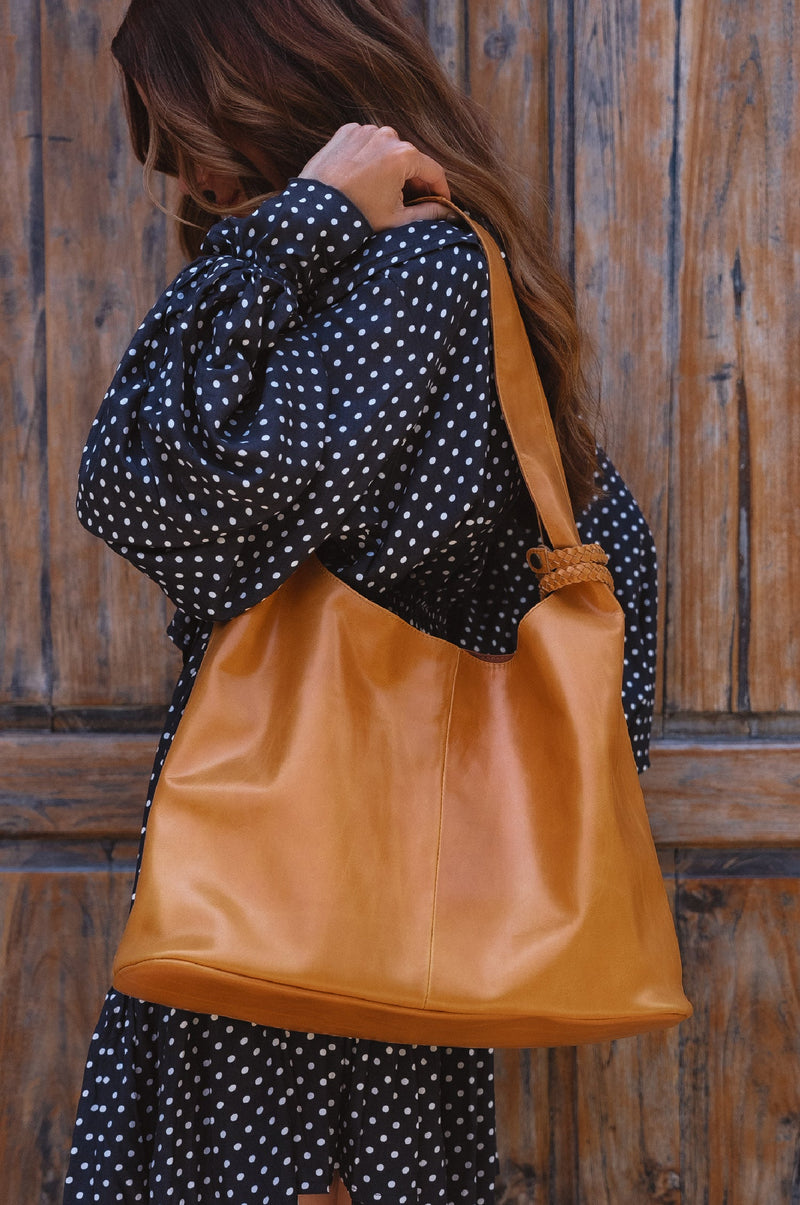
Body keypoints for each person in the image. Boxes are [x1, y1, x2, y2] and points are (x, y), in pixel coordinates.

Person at [63, 0, 658, 1201]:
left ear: (265, 91)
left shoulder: (411, 264)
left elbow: (146, 483)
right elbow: (614, 567)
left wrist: (300, 224)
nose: (183, 172)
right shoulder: (397, 271)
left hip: (309, 886)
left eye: (184, 129)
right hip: (325, 882)